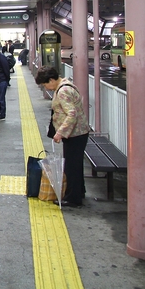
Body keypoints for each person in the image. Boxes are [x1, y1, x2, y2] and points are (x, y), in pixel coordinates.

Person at [35, 66, 90, 207]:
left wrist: (60, 132)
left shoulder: (63, 91)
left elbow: (72, 113)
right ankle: (79, 192)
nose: (46, 87)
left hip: (74, 134)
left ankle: (73, 198)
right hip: (78, 132)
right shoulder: (65, 85)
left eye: (46, 84)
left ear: (52, 80)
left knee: (72, 167)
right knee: (75, 165)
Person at [0, 48, 11, 119]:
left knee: (1, 98)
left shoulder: (2, 57)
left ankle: (2, 114)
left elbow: (6, 69)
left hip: (2, 80)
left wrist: (7, 80)